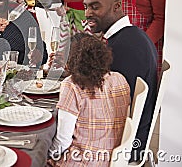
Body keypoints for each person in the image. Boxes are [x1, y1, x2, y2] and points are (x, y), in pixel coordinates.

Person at [83, 0, 157, 161]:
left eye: (95, 7)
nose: (87, 14)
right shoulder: (133, 36)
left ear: (117, 6)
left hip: (126, 144)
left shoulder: (124, 47)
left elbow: (108, 107)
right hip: (130, 135)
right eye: (86, 7)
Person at [48, 33, 130, 166]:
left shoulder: (72, 85)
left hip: (83, 161)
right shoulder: (119, 79)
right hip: (112, 159)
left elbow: (63, 141)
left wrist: (49, 154)